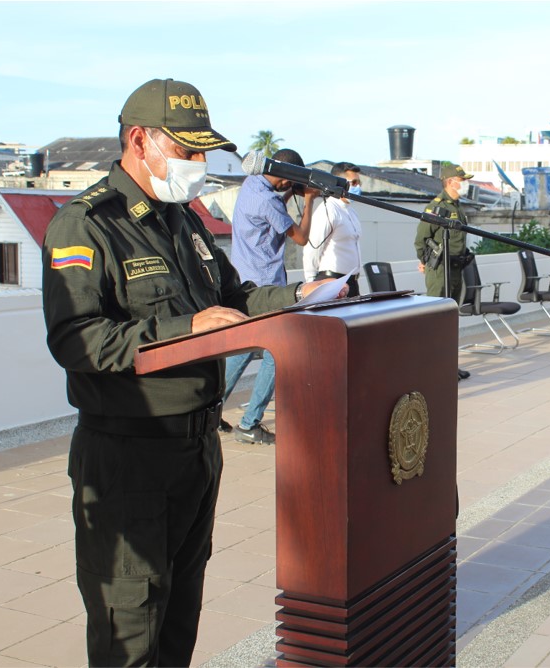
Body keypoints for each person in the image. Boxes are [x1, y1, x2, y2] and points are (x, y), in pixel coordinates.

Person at [40, 79, 343, 667]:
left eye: (203, 152)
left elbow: (234, 298)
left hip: (197, 450)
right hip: (130, 455)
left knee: (180, 617)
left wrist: (302, 294)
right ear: (139, 140)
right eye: (187, 150)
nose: (199, 165)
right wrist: (187, 329)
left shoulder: (185, 221)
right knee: (131, 626)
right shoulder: (89, 225)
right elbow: (75, 340)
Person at [221, 147, 318, 445]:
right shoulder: (266, 200)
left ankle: (207, 411)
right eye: (290, 180)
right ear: (285, 176)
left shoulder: (252, 185)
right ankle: (250, 423)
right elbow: (301, 238)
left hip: (246, 284)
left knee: (242, 350)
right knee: (277, 354)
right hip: (266, 287)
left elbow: (274, 203)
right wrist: (311, 199)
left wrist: (289, 192)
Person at [415, 163, 474, 380]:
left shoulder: (457, 207)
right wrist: (425, 261)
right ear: (451, 181)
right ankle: (434, 367)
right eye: (462, 180)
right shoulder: (437, 207)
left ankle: (449, 365)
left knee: (450, 319)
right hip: (440, 269)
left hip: (456, 268)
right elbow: (421, 239)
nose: (465, 184)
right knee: (436, 320)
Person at [303, 161, 363, 296]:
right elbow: (313, 248)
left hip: (352, 282)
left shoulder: (351, 212)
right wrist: (311, 282)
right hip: (332, 281)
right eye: (353, 183)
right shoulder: (328, 210)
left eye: (359, 183)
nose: (357, 186)